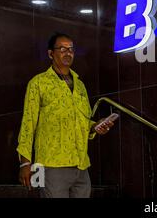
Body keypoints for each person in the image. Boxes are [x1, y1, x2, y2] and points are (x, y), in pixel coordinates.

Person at [17, 32, 115, 198]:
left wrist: (95, 127)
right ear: (50, 53)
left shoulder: (80, 85)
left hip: (81, 165)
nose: (68, 53)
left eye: (71, 49)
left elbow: (82, 120)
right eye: (62, 49)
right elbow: (28, 123)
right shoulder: (38, 83)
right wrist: (25, 163)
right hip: (51, 165)